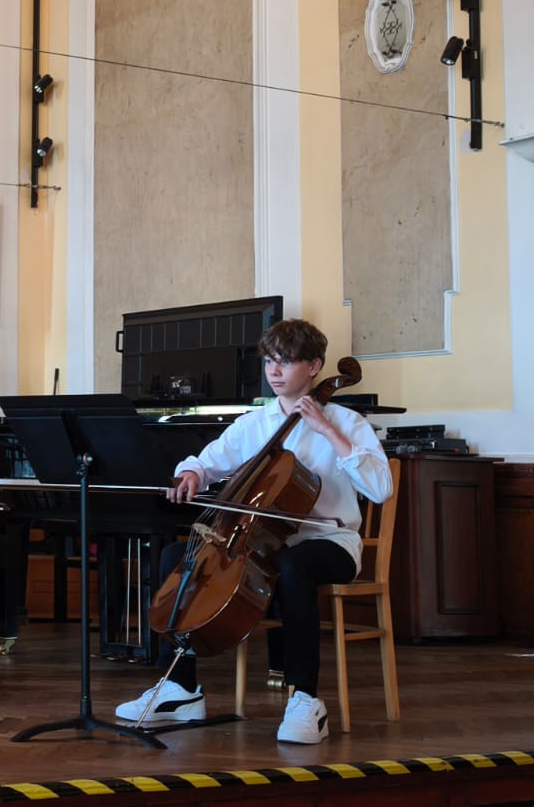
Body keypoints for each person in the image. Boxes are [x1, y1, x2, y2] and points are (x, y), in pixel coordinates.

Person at [114, 319, 393, 745]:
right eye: (269, 361)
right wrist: (191, 474)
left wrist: (327, 430)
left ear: (314, 366)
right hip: (260, 543)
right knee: (177, 559)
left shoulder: (347, 421)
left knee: (294, 565)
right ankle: (181, 689)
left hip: (329, 542)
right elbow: (208, 461)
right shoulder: (255, 423)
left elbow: (380, 488)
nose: (274, 371)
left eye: (286, 361)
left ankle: (305, 698)